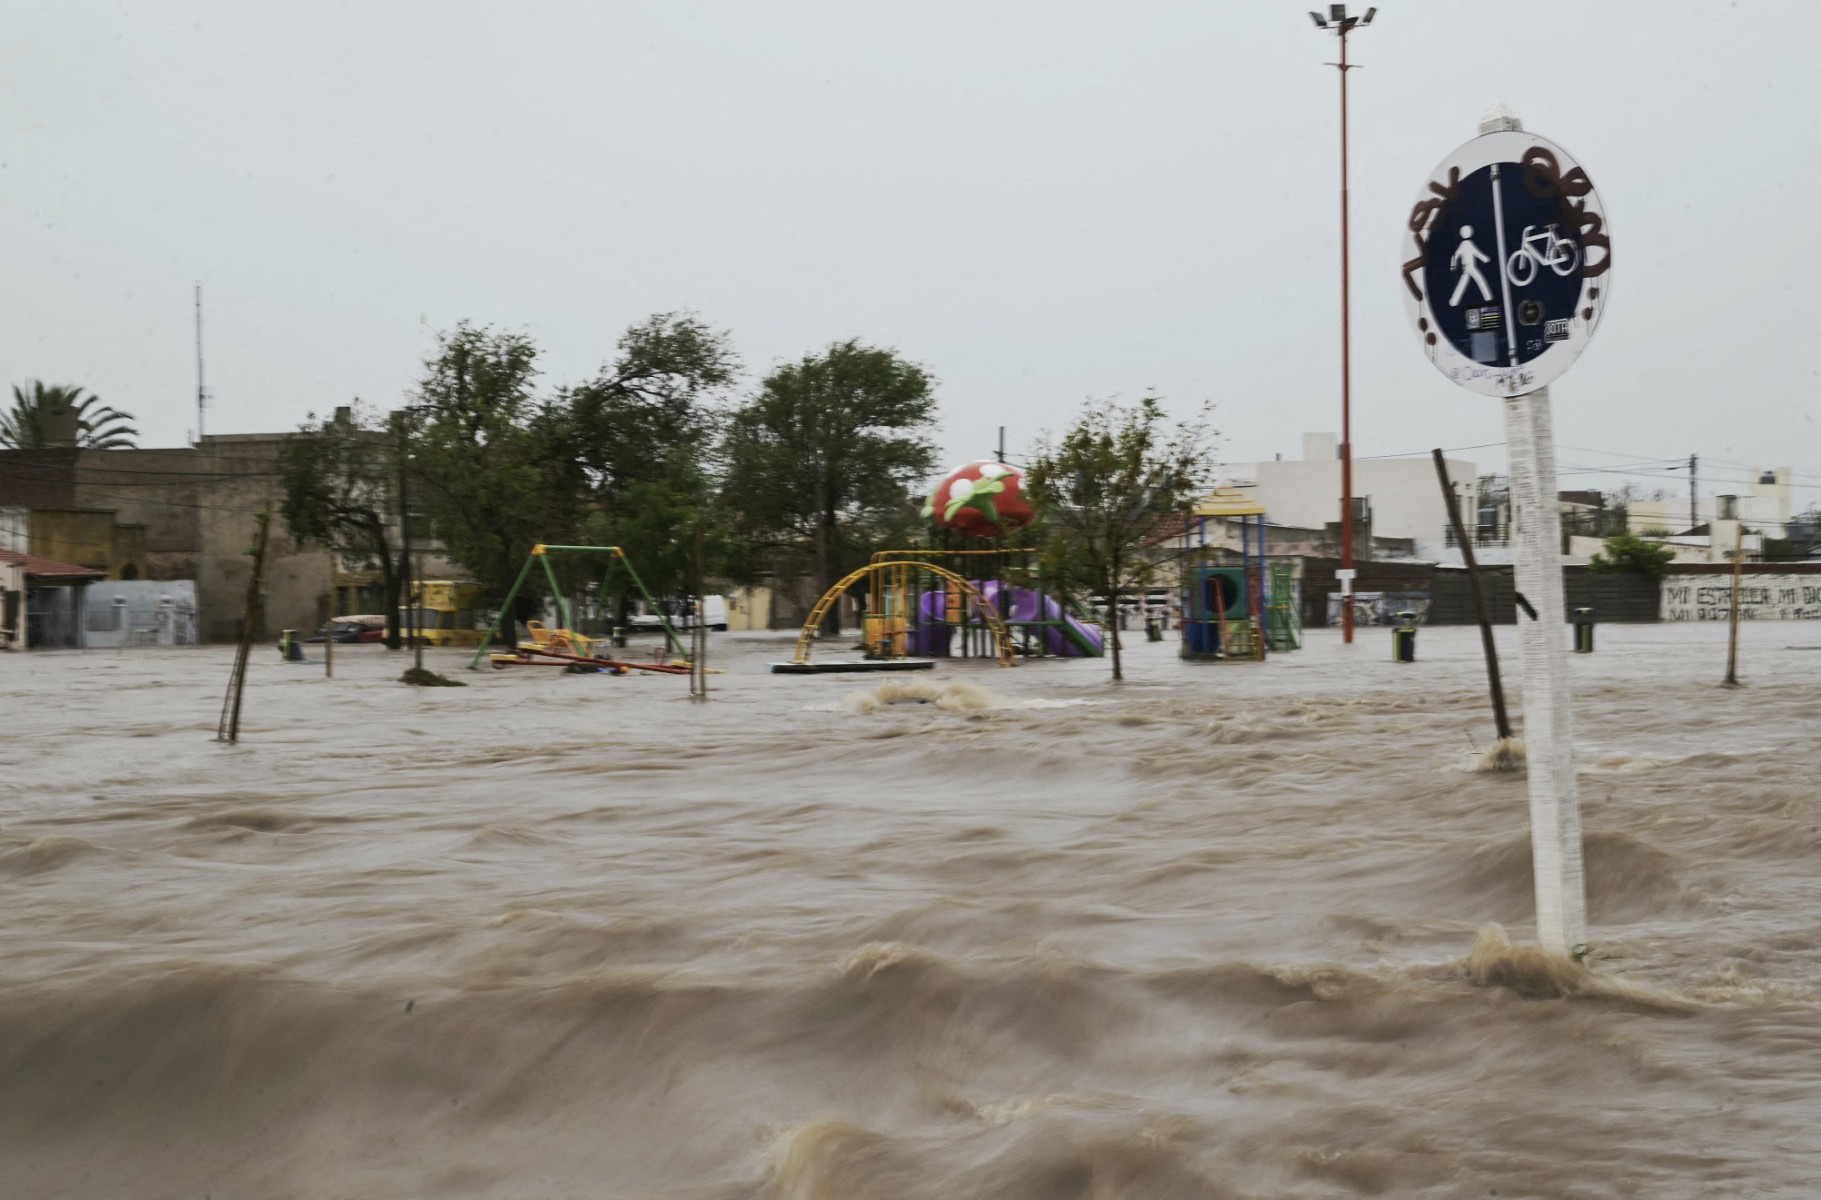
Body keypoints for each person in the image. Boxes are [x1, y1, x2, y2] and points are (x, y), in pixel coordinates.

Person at [1449, 225, 1494, 307]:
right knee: (1478, 279)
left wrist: (1453, 266)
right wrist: (1484, 258)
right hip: (1470, 267)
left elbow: (1455, 255)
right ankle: (1488, 297)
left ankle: (1454, 301)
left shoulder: (1464, 244)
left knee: (1464, 283)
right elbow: (1476, 252)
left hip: (1467, 267)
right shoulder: (1467, 244)